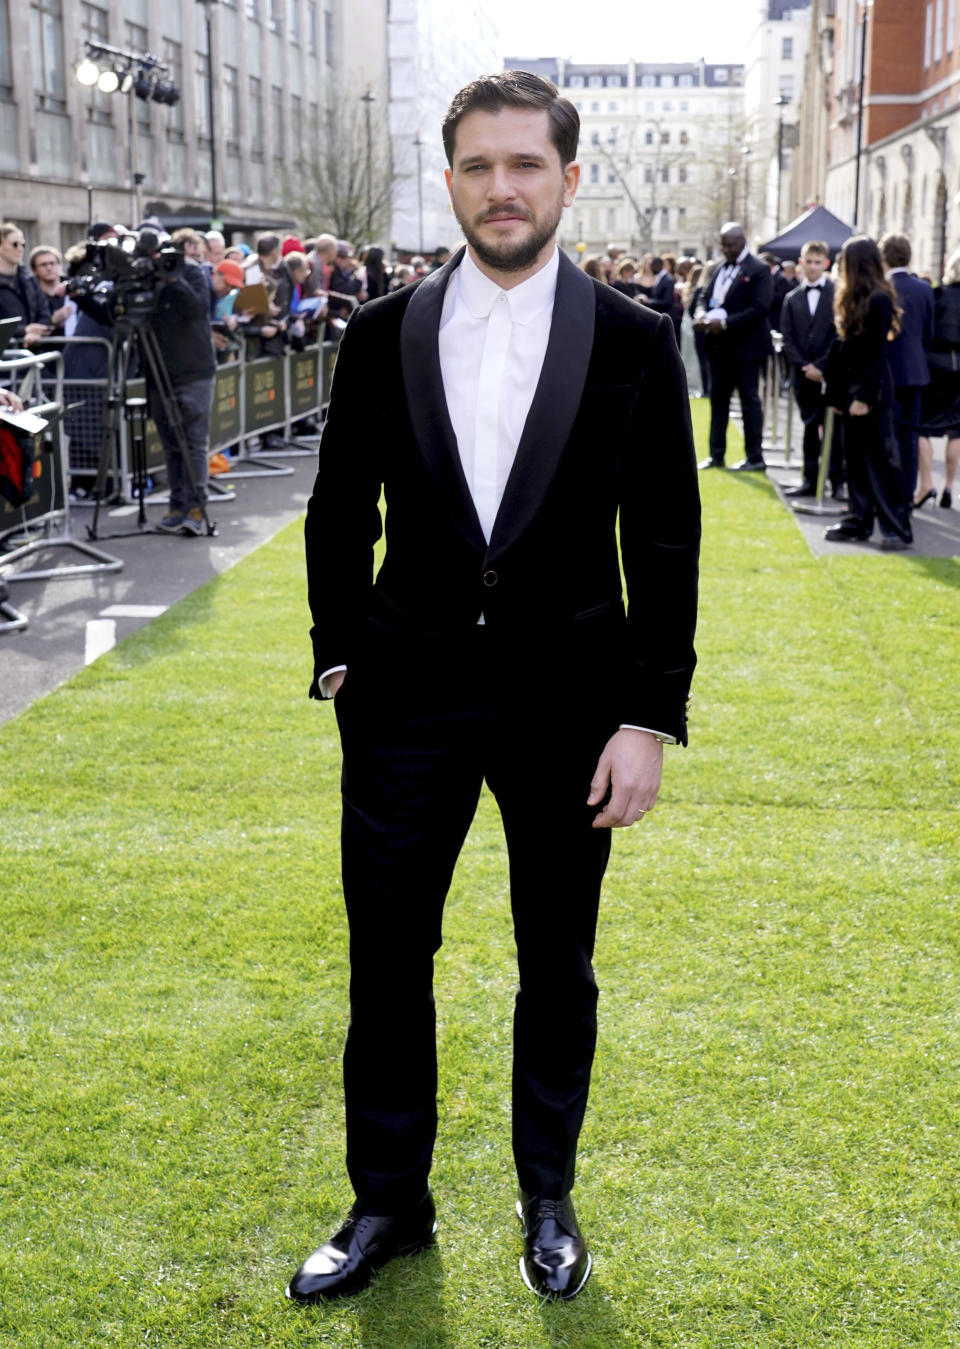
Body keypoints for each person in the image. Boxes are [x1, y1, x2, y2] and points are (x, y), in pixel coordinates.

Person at [291, 68, 700, 1307]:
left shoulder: (633, 336)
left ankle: (548, 1196)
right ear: (451, 176)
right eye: (479, 164)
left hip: (571, 707)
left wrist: (647, 714)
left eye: (526, 164)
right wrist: (338, 648)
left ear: (568, 178)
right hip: (405, 697)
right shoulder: (381, 330)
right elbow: (335, 508)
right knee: (386, 956)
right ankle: (387, 1203)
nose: (502, 187)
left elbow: (666, 537)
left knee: (556, 961)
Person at [822, 235, 912, 550]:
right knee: (855, 463)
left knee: (883, 463)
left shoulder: (879, 299)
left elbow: (874, 354)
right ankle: (858, 521)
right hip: (852, 392)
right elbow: (843, 349)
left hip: (870, 394)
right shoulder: (852, 298)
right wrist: (837, 396)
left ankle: (895, 528)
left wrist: (863, 397)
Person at [693, 222, 773, 471]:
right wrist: (701, 314)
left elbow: (760, 307)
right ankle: (716, 454)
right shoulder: (717, 268)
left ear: (742, 242)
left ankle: (754, 457)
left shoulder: (758, 269)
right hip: (718, 349)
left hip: (746, 349)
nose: (724, 248)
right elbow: (704, 297)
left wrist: (725, 322)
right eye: (722, 243)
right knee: (718, 401)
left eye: (729, 244)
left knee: (749, 401)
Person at [779, 240, 843, 498]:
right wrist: (805, 366)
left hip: (831, 373)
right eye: (809, 262)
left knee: (834, 428)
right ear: (801, 263)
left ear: (826, 264)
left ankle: (837, 480)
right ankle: (810, 478)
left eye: (819, 262)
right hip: (803, 374)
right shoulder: (791, 298)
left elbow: (839, 334)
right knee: (808, 427)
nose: (814, 267)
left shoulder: (837, 294)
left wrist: (822, 366)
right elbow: (787, 336)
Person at [879, 233, 934, 500]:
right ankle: (905, 494)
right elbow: (928, 334)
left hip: (887, 373)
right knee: (909, 438)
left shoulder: (882, 288)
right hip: (915, 372)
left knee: (887, 436)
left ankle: (889, 494)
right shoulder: (924, 289)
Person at [914, 245, 960, 511]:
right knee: (956, 431)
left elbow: (926, 330)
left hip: (935, 367)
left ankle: (927, 483)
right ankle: (949, 487)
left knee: (922, 427)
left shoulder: (937, 295)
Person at [0, 223, 52, 347]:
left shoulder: (28, 278)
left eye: (23, 244)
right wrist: (24, 331)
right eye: (14, 244)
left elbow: (44, 312)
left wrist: (36, 331)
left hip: (30, 353)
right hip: (5, 356)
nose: (20, 249)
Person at [28, 245, 73, 333]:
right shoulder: (30, 291)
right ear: (34, 270)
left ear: (59, 265)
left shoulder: (71, 286)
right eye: (43, 265)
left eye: (52, 263)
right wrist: (53, 320)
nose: (49, 268)